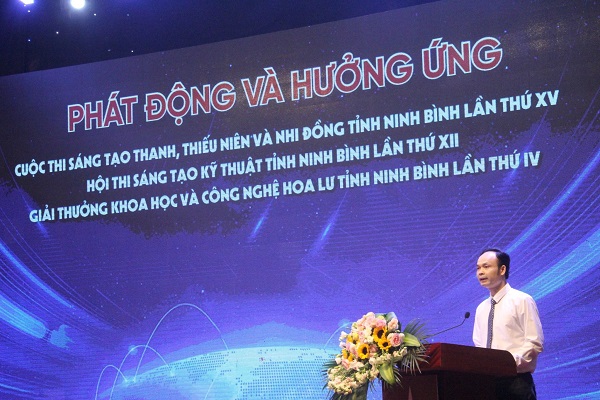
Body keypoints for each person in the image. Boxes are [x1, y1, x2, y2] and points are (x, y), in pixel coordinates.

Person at [473, 248, 544, 400]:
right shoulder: (481, 308)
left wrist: (507, 365)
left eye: (486, 266)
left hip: (516, 382)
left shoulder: (522, 300)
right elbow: (479, 344)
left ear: (502, 269)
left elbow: (534, 342)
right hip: (487, 383)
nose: (480, 272)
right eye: (478, 268)